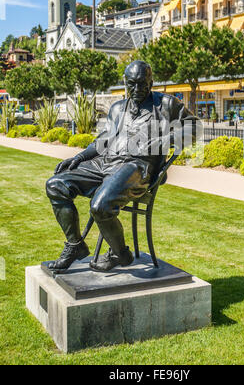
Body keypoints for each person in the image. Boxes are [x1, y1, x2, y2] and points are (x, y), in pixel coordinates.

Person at [46, 61, 197, 273]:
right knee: (56, 184)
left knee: (100, 206)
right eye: (131, 84)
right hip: (105, 162)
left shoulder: (166, 104)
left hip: (138, 167)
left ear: (151, 82)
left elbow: (194, 128)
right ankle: (75, 246)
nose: (136, 90)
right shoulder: (118, 108)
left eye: (142, 84)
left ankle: (120, 253)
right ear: (125, 83)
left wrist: (166, 140)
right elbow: (104, 139)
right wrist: (79, 157)